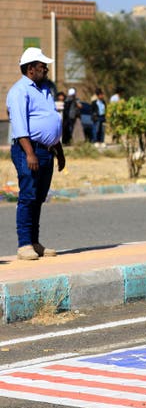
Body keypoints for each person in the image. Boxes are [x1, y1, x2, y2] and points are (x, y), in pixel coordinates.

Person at [6, 47, 66, 260]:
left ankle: (34, 242)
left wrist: (59, 151)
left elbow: (51, 121)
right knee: (28, 196)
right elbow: (20, 125)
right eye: (43, 66)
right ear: (31, 69)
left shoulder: (44, 90)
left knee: (39, 198)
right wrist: (30, 153)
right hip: (28, 151)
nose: (46, 69)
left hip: (46, 151)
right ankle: (24, 245)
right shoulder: (19, 91)